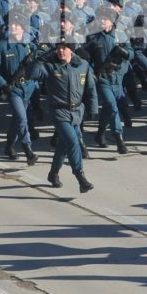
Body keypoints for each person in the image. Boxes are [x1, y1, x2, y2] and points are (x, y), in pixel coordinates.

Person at [36, 42, 94, 193]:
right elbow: (31, 74)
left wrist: (93, 108)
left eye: (64, 48)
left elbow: (91, 87)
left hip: (76, 112)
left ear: (72, 50)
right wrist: (40, 60)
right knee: (73, 141)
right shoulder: (50, 66)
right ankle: (81, 177)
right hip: (58, 112)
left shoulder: (83, 65)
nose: (60, 51)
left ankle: (53, 173)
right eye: (58, 48)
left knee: (63, 145)